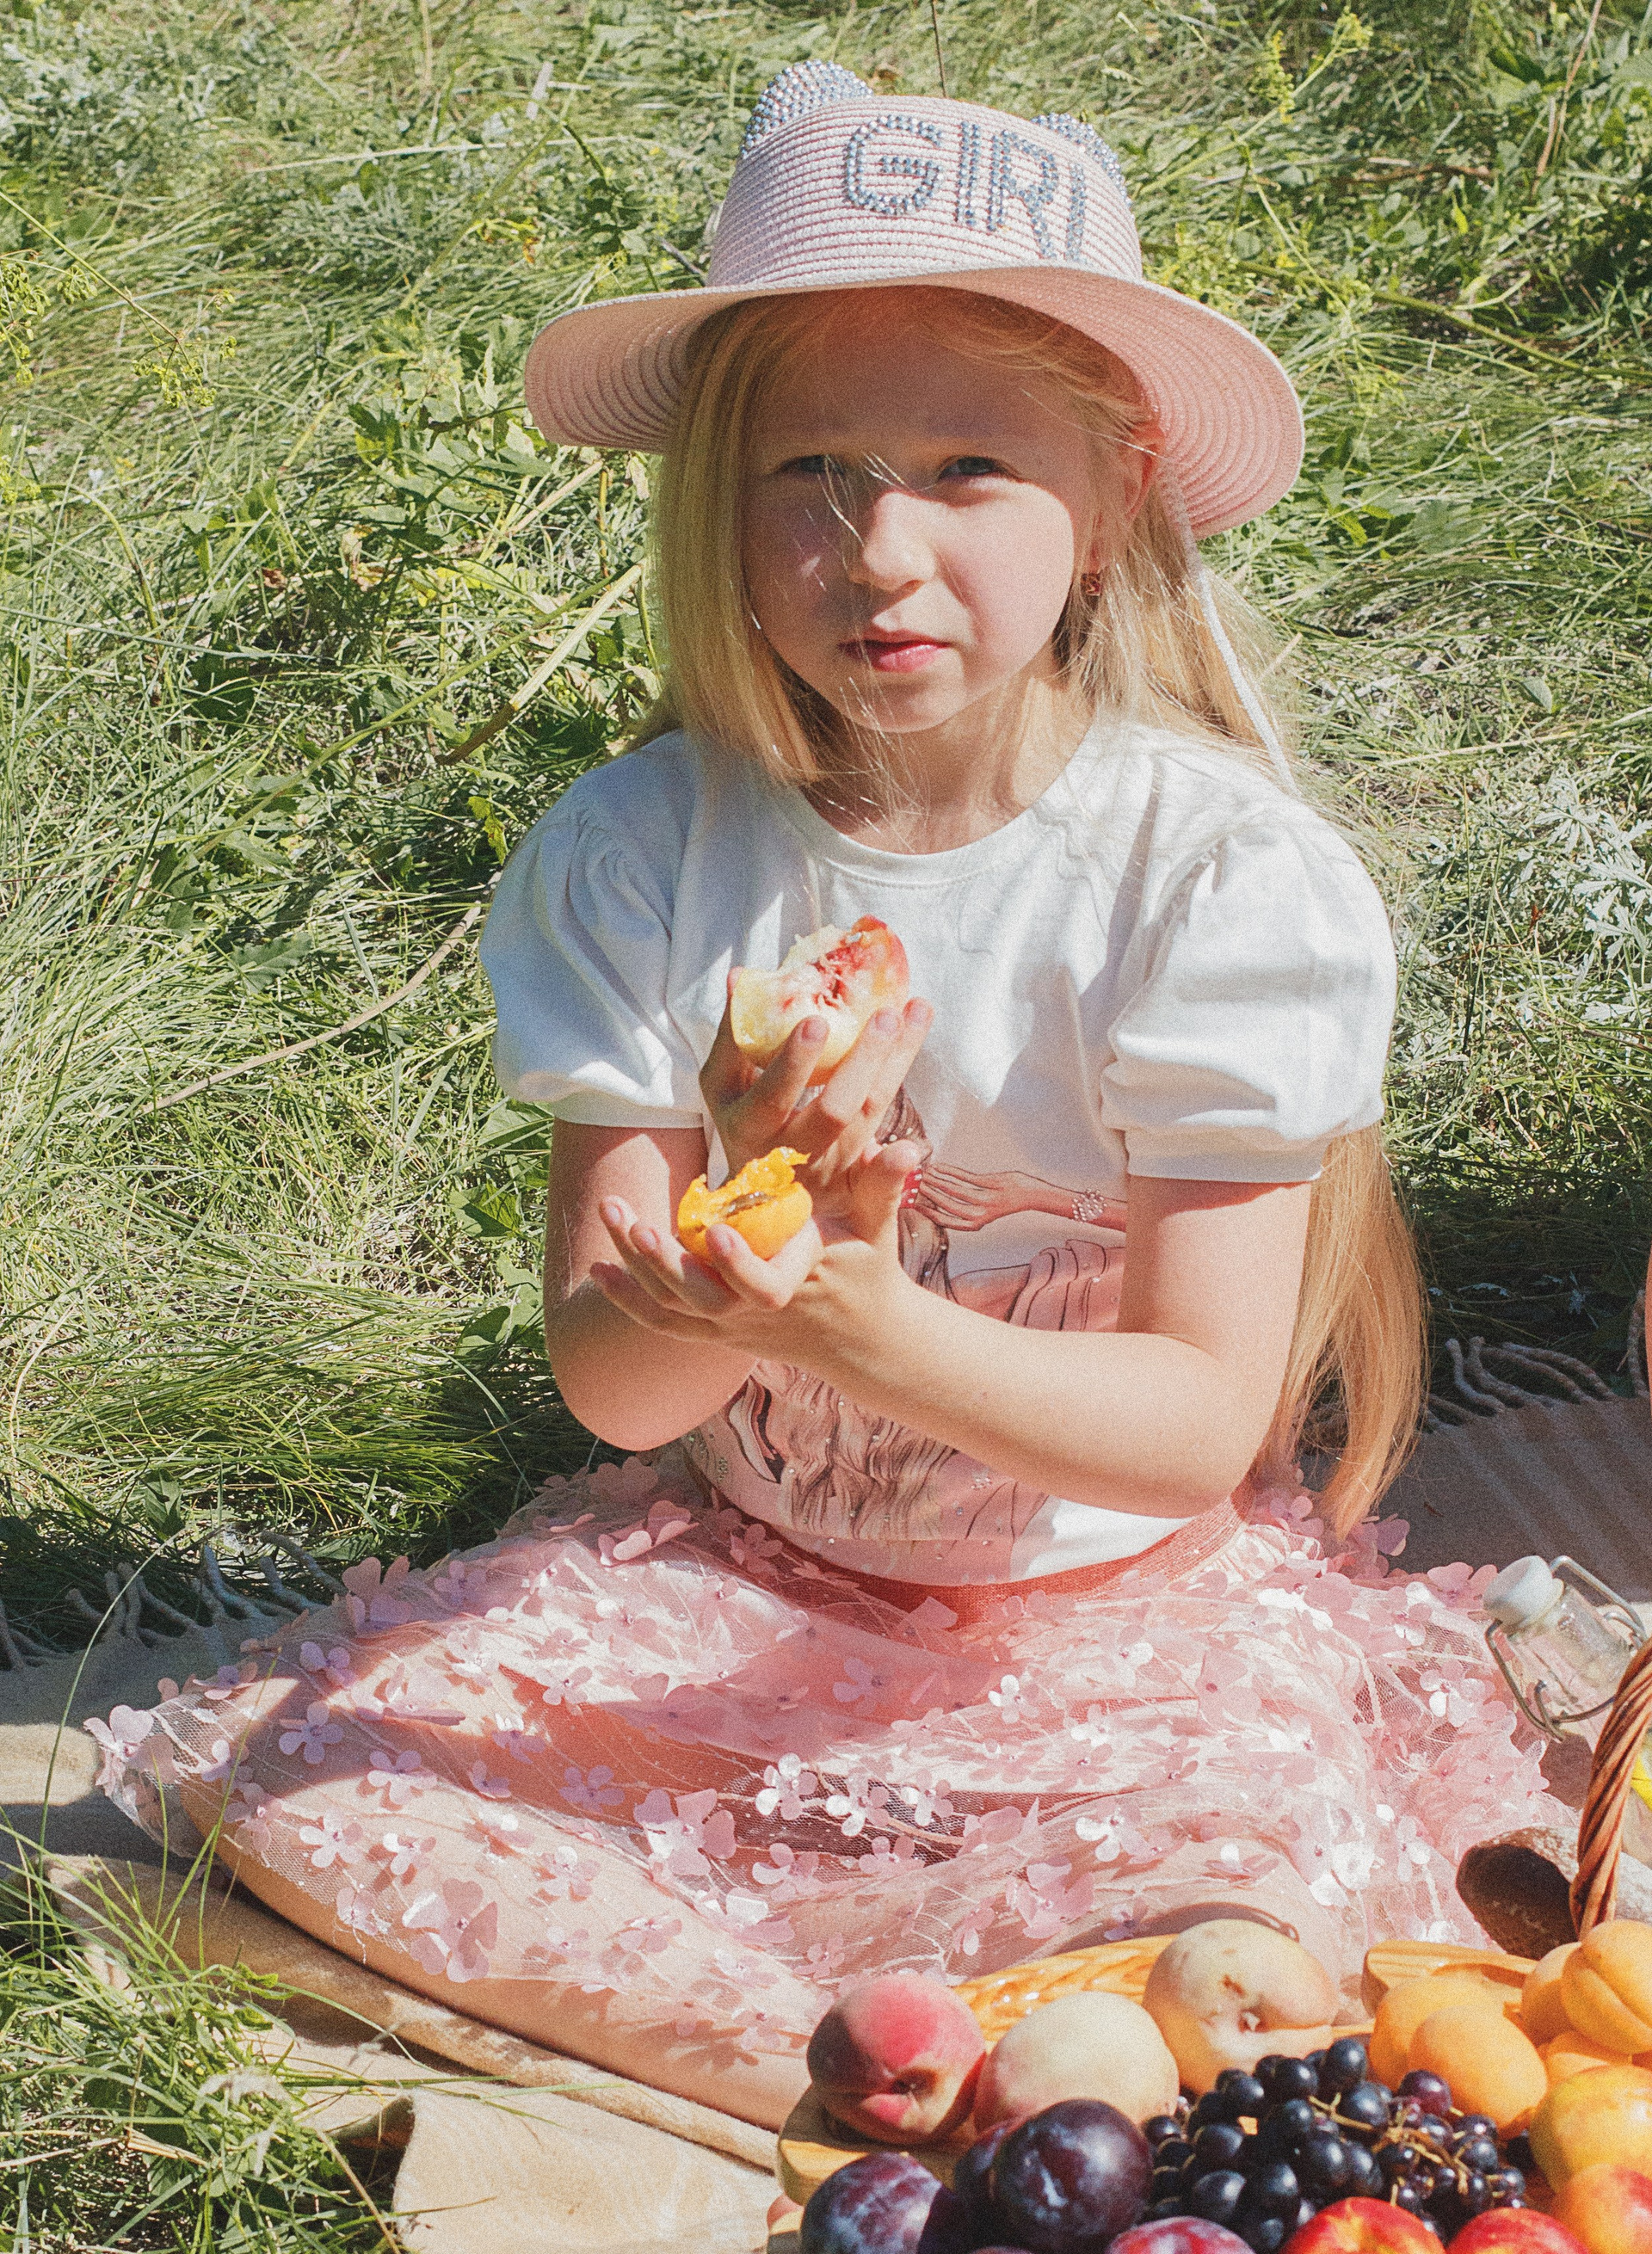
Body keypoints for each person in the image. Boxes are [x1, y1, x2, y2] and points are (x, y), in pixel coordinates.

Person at [94, 65, 1563, 2132]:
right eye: (812, 471)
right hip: (751, 1589)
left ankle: (954, 2040)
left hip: (1103, 1633)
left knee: (1238, 1911)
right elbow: (619, 1396)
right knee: (318, 1785)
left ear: (1113, 489)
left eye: (968, 469)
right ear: (719, 499)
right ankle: (897, 2072)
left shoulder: (1213, 880)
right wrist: (739, 1231)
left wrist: (870, 1323)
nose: (879, 549)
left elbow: (1195, 1421)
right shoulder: (646, 854)